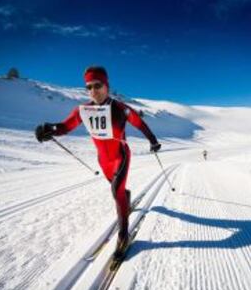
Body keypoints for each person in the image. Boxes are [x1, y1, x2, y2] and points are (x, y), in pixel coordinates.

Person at [35, 66, 161, 258]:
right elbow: (65, 126)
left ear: (107, 86)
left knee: (115, 190)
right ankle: (125, 197)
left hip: (121, 155)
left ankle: (123, 236)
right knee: (118, 190)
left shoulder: (120, 108)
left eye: (97, 85)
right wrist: (49, 129)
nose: (93, 91)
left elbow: (139, 123)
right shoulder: (83, 110)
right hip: (103, 161)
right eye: (89, 87)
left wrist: (153, 140)